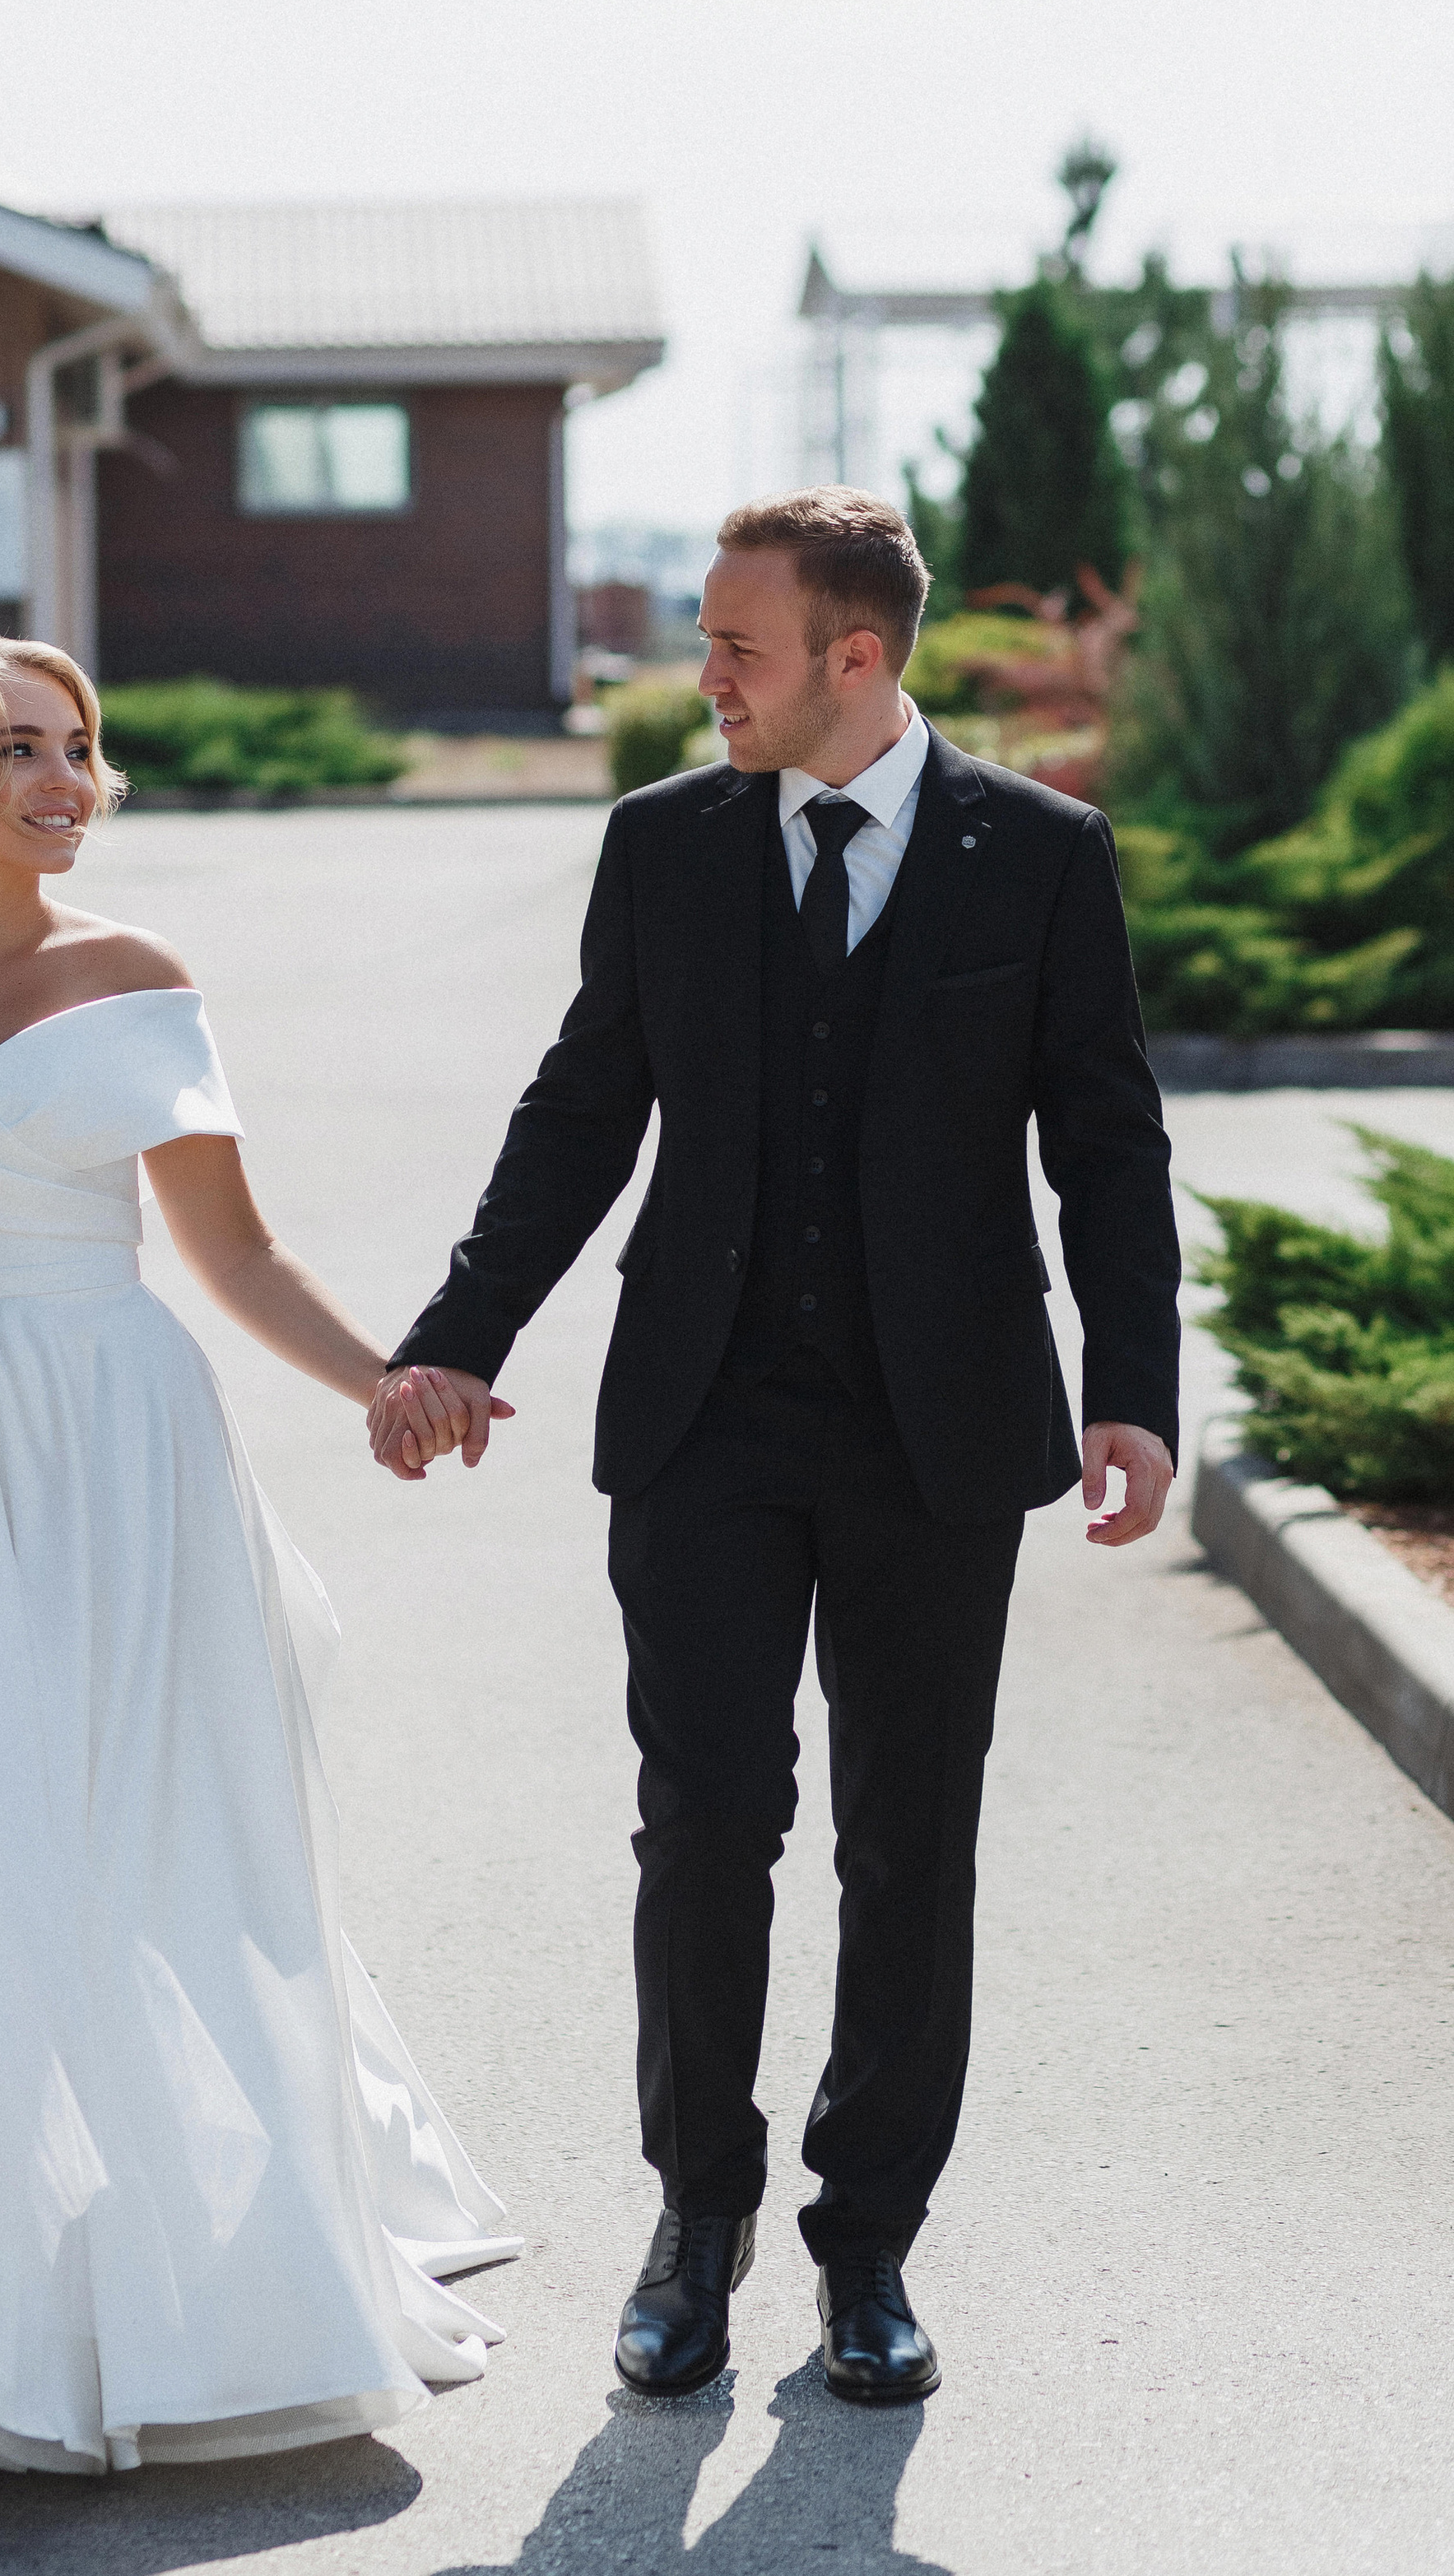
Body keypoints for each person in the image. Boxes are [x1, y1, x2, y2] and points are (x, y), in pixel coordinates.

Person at [370, 488, 1180, 2406]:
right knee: (705, 1826)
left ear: (854, 657)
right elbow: (581, 1109)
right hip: (702, 1420)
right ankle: (696, 2220)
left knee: (912, 1845)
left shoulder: (1038, 856)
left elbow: (1106, 1139)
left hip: (939, 1429)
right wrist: (458, 1339)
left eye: (731, 647)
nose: (697, 677)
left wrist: (1127, 1388)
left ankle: (869, 2243)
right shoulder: (663, 844)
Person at [0, 637, 516, 2481]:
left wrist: (388, 1377)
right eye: (17, 752)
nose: (65, 781)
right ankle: (29, 2198)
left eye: (80, 749)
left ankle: (187, 2243)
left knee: (149, 1821)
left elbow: (231, 1260)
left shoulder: (137, 978)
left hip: (119, 1449)